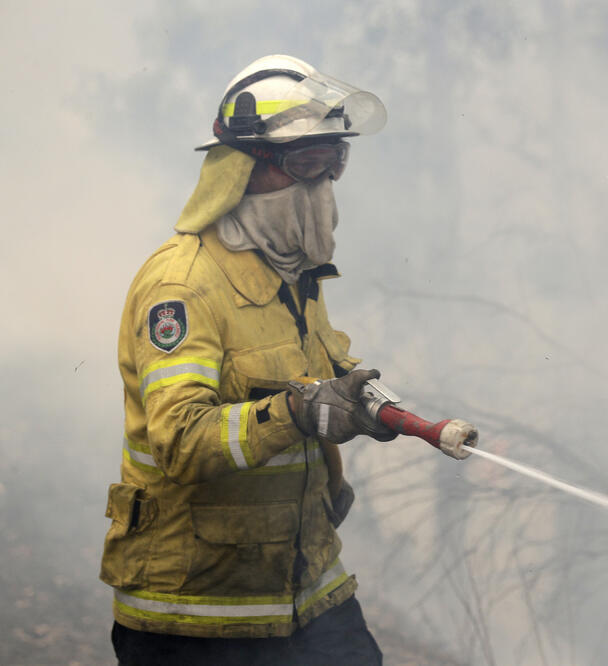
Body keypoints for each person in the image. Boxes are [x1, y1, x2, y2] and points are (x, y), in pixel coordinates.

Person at [99, 54, 393, 665]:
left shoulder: (290, 274)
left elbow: (315, 376)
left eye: (333, 163)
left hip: (304, 589)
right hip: (195, 614)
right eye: (306, 162)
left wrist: (359, 399)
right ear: (241, 169)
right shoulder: (183, 286)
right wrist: (299, 412)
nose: (322, 184)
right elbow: (180, 438)